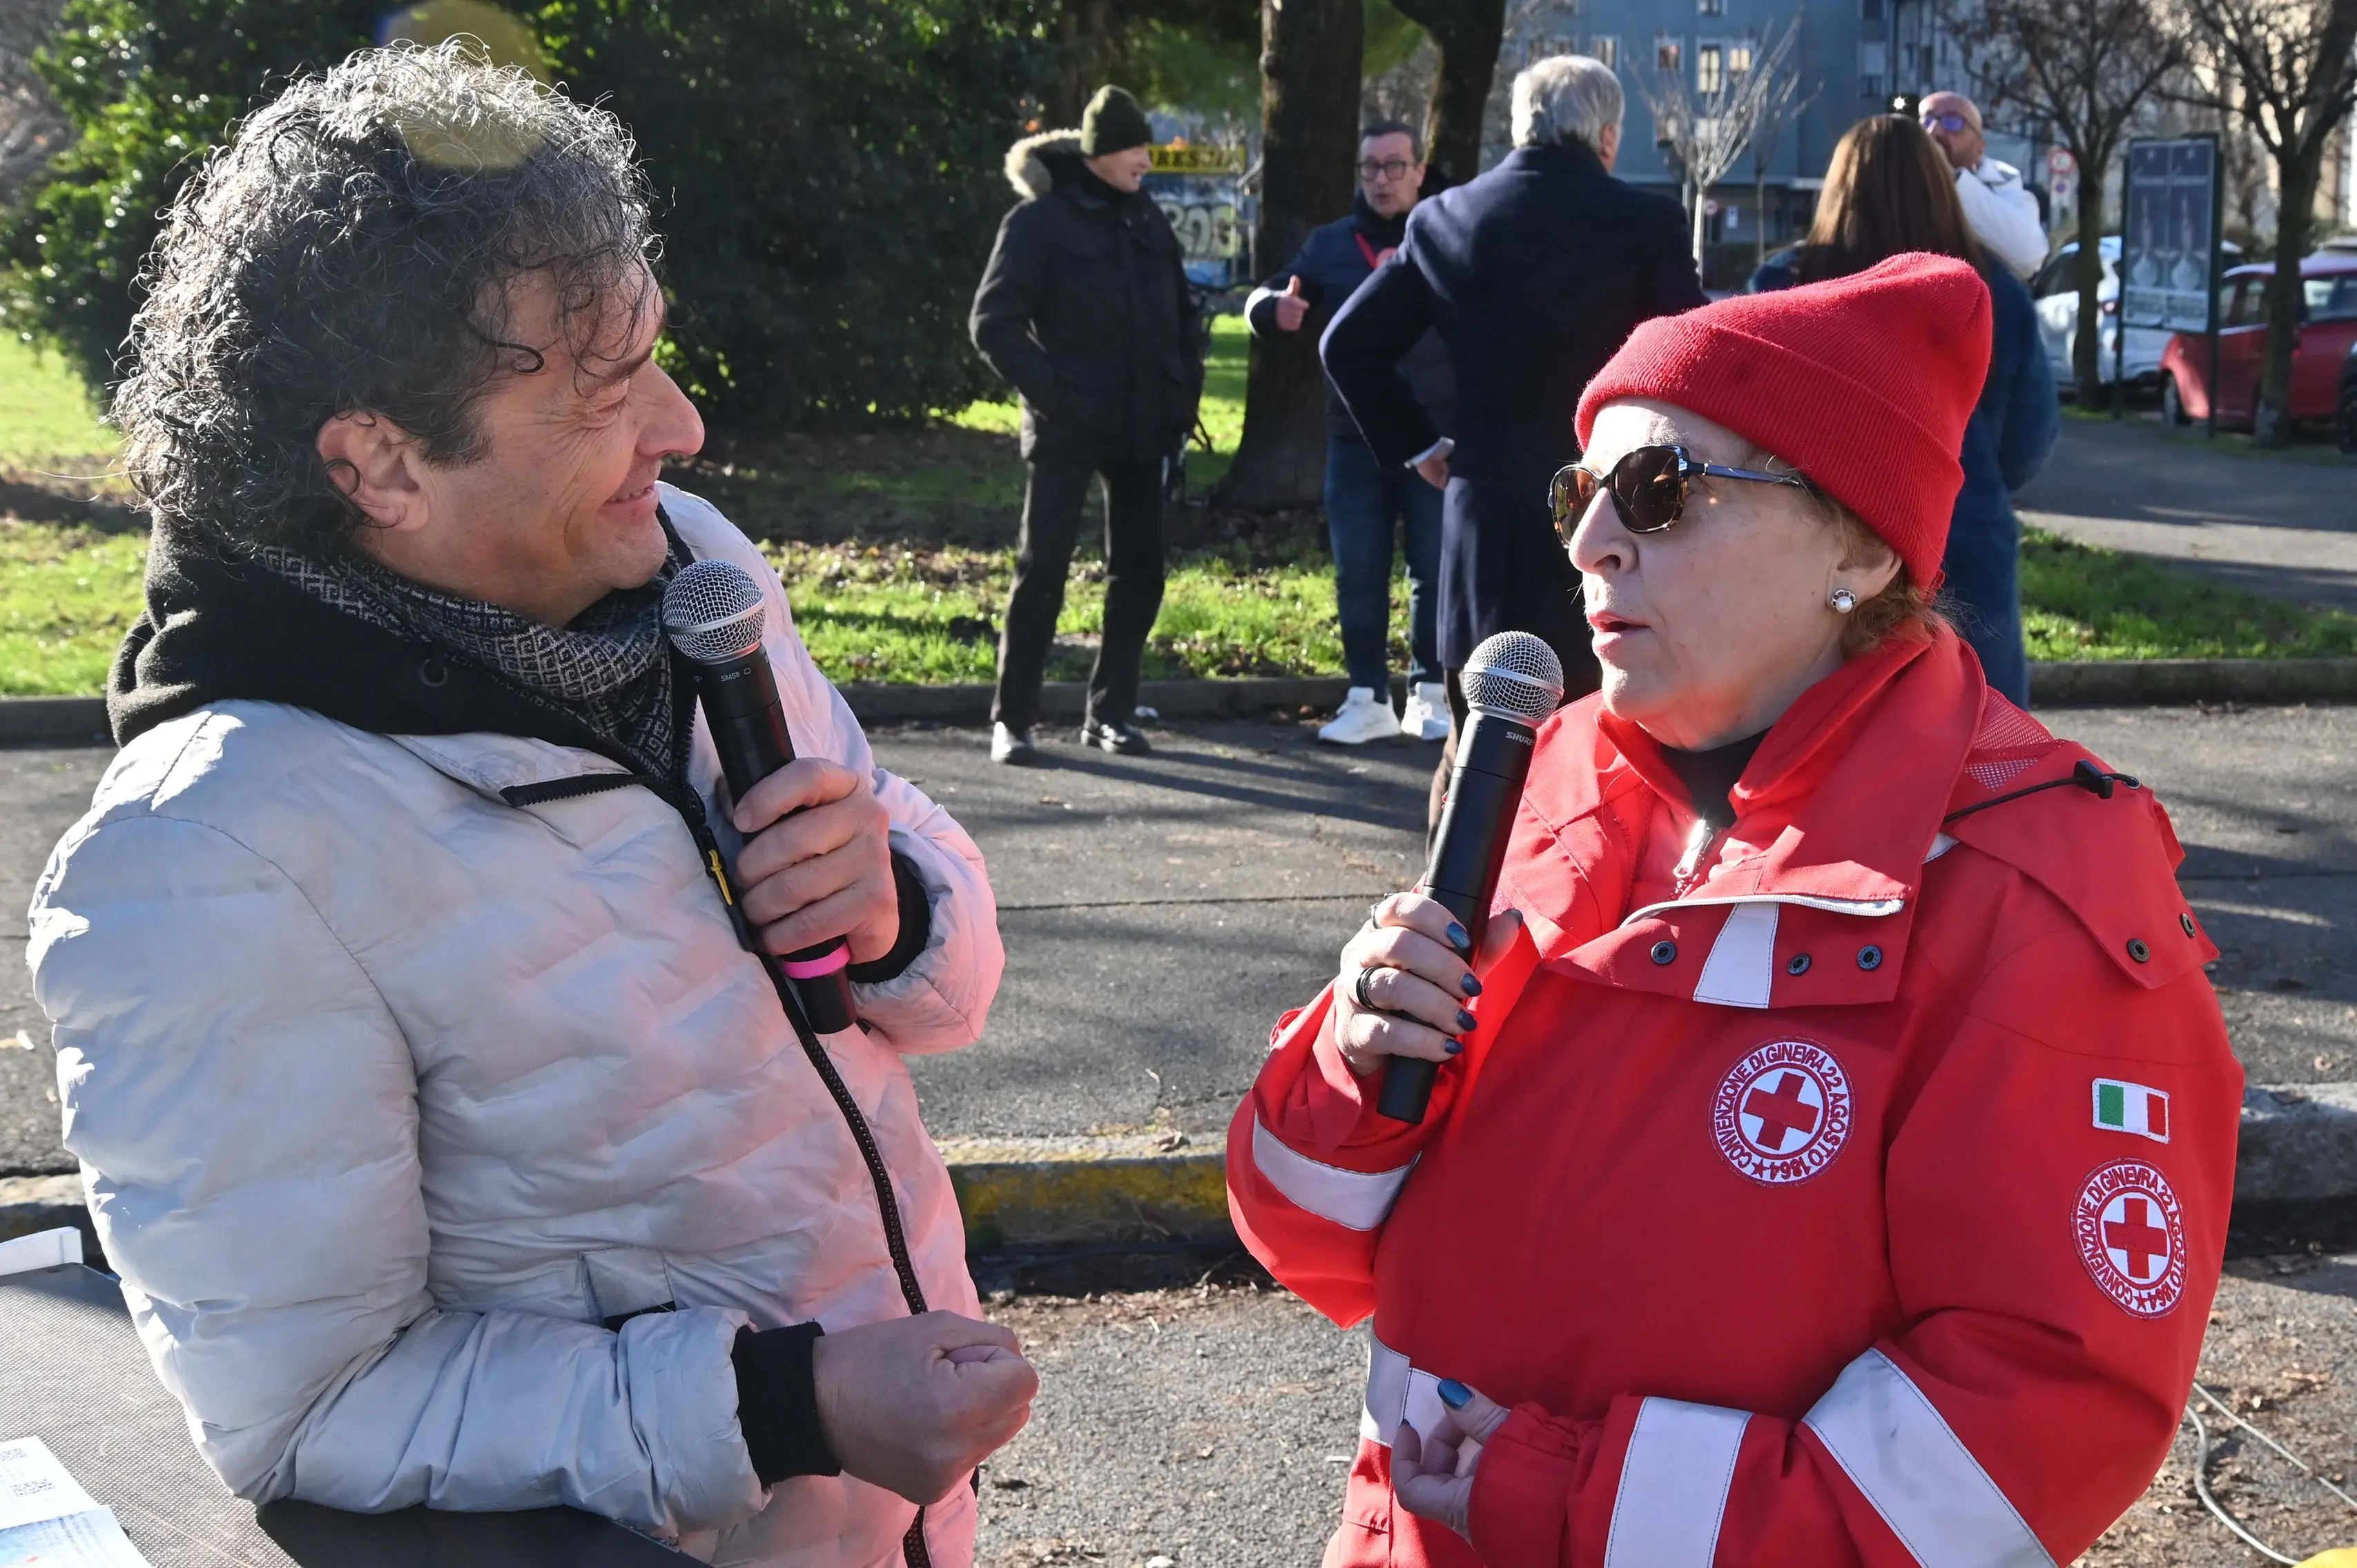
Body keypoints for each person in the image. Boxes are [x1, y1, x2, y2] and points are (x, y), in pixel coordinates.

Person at [26, 43, 1032, 1567]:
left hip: (900, 1512)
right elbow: (312, 1411)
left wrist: (896, 905)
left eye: (656, 357)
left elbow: (928, 974)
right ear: (379, 465)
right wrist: (792, 1405)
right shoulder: (203, 862)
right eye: (605, 388)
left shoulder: (692, 568)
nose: (682, 428)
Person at [1230, 255, 2238, 1567]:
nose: (1589, 542)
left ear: (1859, 545)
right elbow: (1312, 1243)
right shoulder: (1534, 772)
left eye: (1660, 490)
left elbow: (2028, 1431)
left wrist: (1559, 1496)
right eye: (1580, 492)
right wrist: (1349, 1065)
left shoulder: (2037, 885)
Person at [1321, 55, 1703, 826]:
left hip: (1484, 513)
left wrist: (1420, 445)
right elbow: (1691, 358)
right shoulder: (1647, 223)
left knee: (1477, 747)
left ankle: (1454, 889)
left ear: (1520, 124)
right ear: (1607, 135)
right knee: (1605, 749)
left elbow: (1347, 344)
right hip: (1607, 513)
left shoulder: (1446, 218)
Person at [1753, 114, 2057, 706]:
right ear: (1940, 187)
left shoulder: (1785, 286)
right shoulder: (1994, 293)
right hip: (1963, 548)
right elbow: (2030, 439)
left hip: (1814, 552)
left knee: (1817, 743)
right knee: (1974, 742)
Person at [970, 85, 1203, 766]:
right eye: (1135, 149)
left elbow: (1181, 314)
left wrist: (1182, 398)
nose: (1146, 162)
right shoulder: (1038, 222)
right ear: (1100, 152)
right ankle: (1013, 719)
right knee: (1043, 570)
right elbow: (993, 323)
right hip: (1067, 428)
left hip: (1144, 429)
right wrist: (1056, 397)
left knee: (1140, 573)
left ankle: (1112, 713)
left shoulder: (1147, 218)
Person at [1245, 121, 1453, 746]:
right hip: (1355, 438)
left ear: (1420, 170)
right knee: (1358, 568)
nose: (1382, 180)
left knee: (1434, 567)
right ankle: (1367, 696)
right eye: (1370, 168)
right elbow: (1266, 294)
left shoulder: (1449, 234)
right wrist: (1272, 310)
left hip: (1435, 437)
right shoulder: (1332, 244)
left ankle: (1430, 693)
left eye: (1395, 166)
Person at [1921, 90, 2048, 279]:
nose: (1933, 132)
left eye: (1953, 122)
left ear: (1979, 148)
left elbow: (2029, 257)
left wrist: (1950, 178)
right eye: (1926, 122)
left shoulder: (2004, 188)